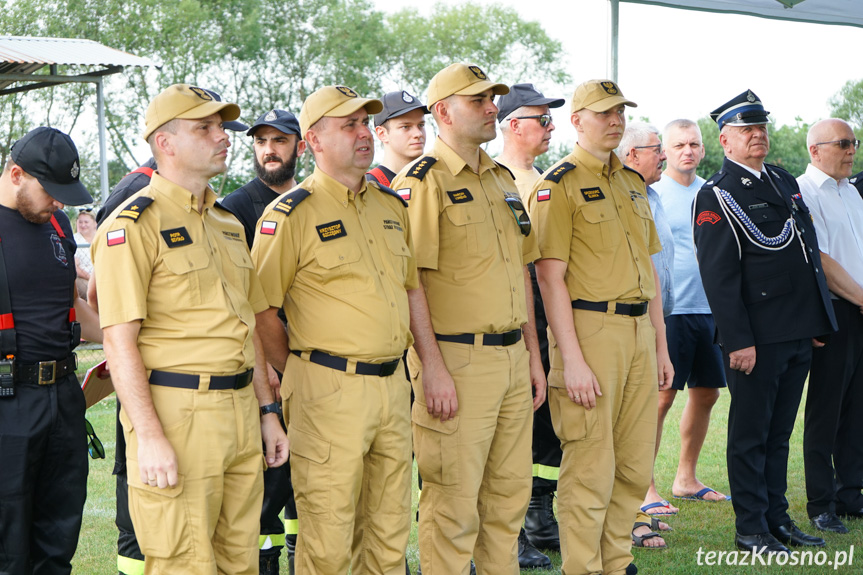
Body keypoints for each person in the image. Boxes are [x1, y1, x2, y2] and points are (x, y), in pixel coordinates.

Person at [92, 83, 289, 574]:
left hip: (241, 410)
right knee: (183, 562)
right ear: (166, 143)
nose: (222, 137)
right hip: (178, 414)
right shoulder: (132, 226)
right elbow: (119, 342)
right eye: (205, 128)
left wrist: (267, 411)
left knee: (239, 560)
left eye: (221, 126)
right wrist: (151, 436)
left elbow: (246, 328)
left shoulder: (225, 224)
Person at [252, 85, 416, 574]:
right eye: (349, 125)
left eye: (366, 124)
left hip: (392, 386)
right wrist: (301, 369)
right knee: (328, 536)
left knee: (389, 534)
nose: (364, 134)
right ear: (313, 141)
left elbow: (408, 291)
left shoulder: (390, 208)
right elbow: (261, 312)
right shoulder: (291, 214)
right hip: (327, 389)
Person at [391, 63, 546, 575]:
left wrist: (533, 357)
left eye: (492, 99)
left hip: (511, 358)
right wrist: (431, 367)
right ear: (443, 112)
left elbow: (521, 271)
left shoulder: (501, 179)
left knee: (506, 504)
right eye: (478, 100)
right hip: (456, 361)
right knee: (453, 507)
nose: (491, 108)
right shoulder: (421, 182)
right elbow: (411, 283)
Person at [529, 79, 674, 575]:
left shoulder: (634, 183)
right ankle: (584, 567)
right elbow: (550, 279)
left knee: (633, 468)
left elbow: (649, 270)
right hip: (590, 332)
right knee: (590, 466)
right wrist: (571, 360)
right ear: (576, 120)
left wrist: (660, 346)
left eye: (620, 112)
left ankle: (617, 561)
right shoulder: (559, 185)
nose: (615, 120)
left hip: (638, 331)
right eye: (603, 112)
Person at [692, 90, 835, 554]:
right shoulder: (716, 194)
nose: (758, 136)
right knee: (750, 436)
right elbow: (719, 277)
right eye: (746, 130)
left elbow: (806, 255)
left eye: (762, 128)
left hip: (796, 329)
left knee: (778, 434)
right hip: (755, 336)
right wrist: (737, 340)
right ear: (725, 140)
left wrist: (816, 319)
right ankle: (750, 527)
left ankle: (778, 518)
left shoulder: (779, 179)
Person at [0, 126, 101, 573]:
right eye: (52, 191)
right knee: (9, 547)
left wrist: (129, 340)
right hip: (9, 402)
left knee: (58, 540)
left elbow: (74, 303)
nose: (60, 203)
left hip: (63, 398)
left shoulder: (56, 224)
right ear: (17, 174)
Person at [222, 108, 305, 575]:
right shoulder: (237, 208)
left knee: (307, 476)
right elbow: (243, 303)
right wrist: (267, 366)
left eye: (279, 140)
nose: (269, 150)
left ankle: (301, 556)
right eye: (261, 142)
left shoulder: (312, 202)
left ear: (300, 146)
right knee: (268, 478)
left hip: (316, 361)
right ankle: (265, 563)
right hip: (267, 366)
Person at [495, 82, 565, 567]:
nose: (550, 127)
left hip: (549, 313)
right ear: (512, 125)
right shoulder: (497, 180)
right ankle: (511, 527)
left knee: (546, 425)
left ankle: (540, 512)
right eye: (542, 119)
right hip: (514, 316)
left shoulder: (545, 177)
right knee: (511, 429)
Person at [644, 119, 729, 514]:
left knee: (707, 393)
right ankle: (645, 488)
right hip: (671, 310)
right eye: (679, 144)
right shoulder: (653, 193)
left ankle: (686, 478)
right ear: (666, 150)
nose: (688, 151)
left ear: (704, 148)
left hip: (709, 308)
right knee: (661, 399)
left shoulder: (713, 193)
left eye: (694, 143)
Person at [797, 118, 863, 534]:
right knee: (826, 412)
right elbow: (819, 258)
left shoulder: (853, 192)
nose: (852, 149)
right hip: (835, 311)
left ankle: (852, 492)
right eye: (843, 143)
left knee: (857, 409)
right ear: (815, 150)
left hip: (858, 311)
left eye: (854, 142)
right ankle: (821, 502)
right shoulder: (803, 192)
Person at [618, 122, 674, 551]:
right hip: (616, 328)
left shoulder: (647, 195)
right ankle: (630, 517)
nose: (666, 156)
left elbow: (654, 271)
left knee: (637, 431)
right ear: (631, 155)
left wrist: (660, 341)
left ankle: (637, 509)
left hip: (650, 322)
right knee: (618, 435)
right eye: (658, 149)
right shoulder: (618, 192)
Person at [367, 90, 429, 187]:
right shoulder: (371, 185)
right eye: (406, 127)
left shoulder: (434, 178)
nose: (418, 133)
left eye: (421, 125)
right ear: (382, 134)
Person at [73, 207, 96, 299]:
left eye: (86, 222)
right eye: (80, 222)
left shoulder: (101, 236)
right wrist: (91, 278)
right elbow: (76, 268)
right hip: (84, 278)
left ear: (95, 223)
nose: (83, 225)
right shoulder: (75, 239)